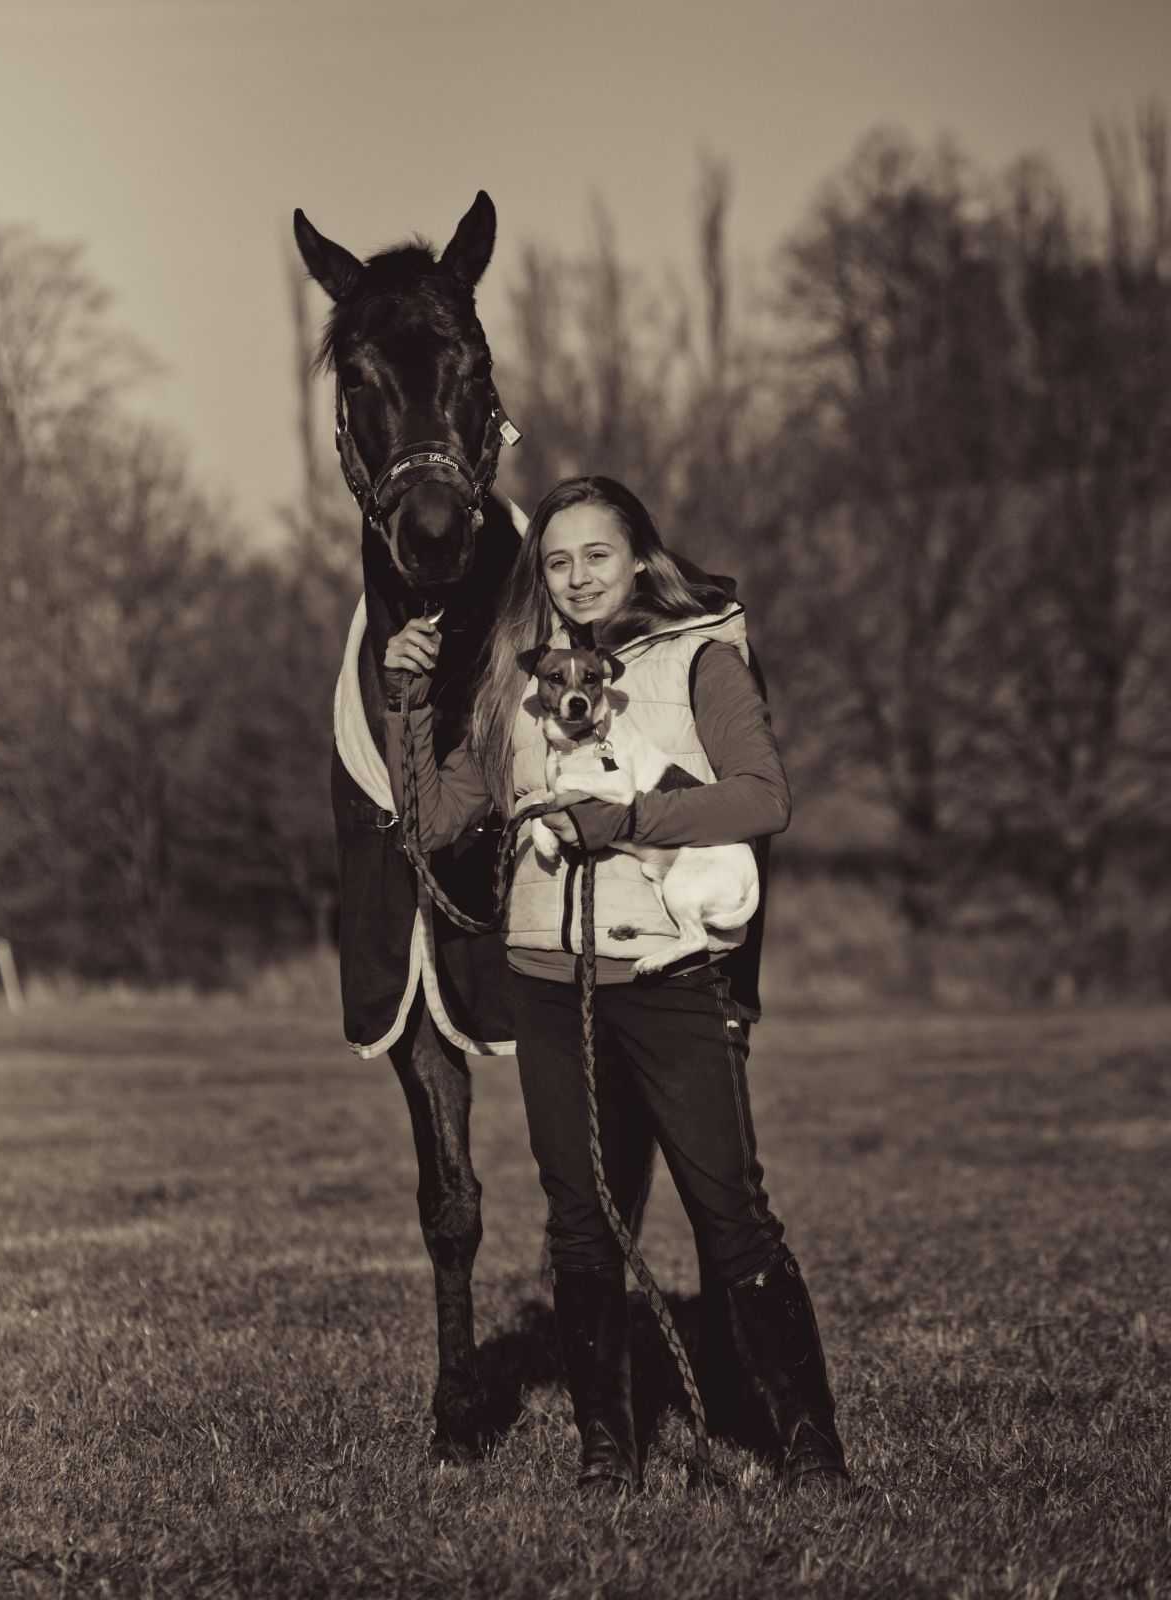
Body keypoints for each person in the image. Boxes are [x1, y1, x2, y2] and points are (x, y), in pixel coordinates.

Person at [383, 475, 847, 1497]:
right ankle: (608, 1452)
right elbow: (431, 822)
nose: (578, 577)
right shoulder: (512, 679)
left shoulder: (699, 656)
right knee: (582, 1224)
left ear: (640, 555)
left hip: (673, 975)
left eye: (597, 554)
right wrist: (407, 700)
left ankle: (809, 1445)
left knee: (730, 1212)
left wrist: (625, 820)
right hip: (550, 986)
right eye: (557, 561)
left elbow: (763, 798)